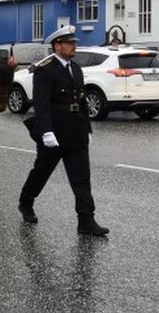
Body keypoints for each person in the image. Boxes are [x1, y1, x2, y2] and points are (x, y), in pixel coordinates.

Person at [17, 26, 109, 237]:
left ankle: (86, 221)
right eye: (69, 43)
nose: (74, 46)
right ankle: (26, 202)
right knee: (42, 171)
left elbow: (81, 101)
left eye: (74, 42)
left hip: (76, 131)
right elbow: (41, 105)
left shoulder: (75, 69)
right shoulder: (45, 69)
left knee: (81, 178)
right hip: (54, 133)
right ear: (57, 46)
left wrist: (87, 129)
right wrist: (46, 132)